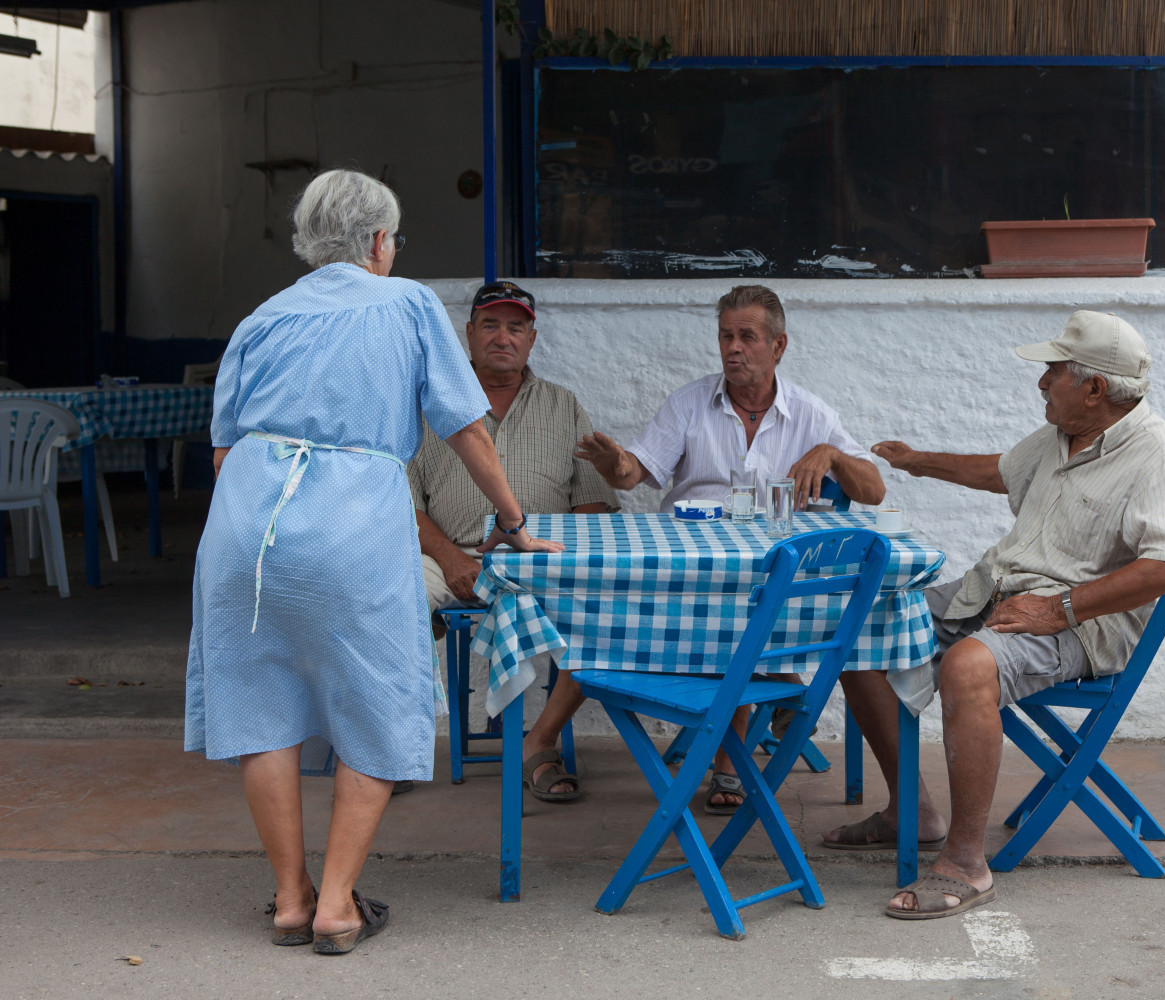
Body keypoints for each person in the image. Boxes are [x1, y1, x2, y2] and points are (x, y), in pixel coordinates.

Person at [185, 169, 562, 955]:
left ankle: (289, 899)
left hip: (246, 527)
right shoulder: (407, 303)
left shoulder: (262, 317)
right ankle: (334, 905)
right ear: (381, 243)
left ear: (308, 241)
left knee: (261, 706)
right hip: (352, 519)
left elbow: (222, 453)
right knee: (378, 695)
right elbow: (468, 430)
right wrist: (514, 519)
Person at [821, 310, 1165, 920]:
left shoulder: (1161, 454)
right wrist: (917, 460)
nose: (1041, 382)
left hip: (1078, 623)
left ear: (1094, 387)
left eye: (1052, 371)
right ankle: (912, 810)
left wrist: (1061, 607)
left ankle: (966, 863)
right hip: (995, 591)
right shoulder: (1061, 434)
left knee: (969, 666)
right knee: (860, 630)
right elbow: (999, 470)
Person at [575, 283, 885, 813]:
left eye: (747, 337)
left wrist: (831, 453)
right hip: (691, 578)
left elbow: (874, 491)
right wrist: (612, 463)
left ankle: (731, 758)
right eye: (725, 336)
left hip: (775, 586)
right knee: (595, 605)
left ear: (778, 346)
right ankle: (774, 698)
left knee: (751, 609)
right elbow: (632, 475)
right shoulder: (690, 403)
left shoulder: (811, 414)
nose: (733, 348)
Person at [408, 280, 617, 802]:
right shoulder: (429, 405)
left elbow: (590, 503)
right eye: (491, 325)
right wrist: (453, 560)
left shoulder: (562, 405)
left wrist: (568, 560)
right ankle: (394, 749)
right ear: (469, 333)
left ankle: (539, 743)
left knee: (599, 608)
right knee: (391, 600)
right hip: (449, 555)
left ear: (532, 338)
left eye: (516, 327)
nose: (503, 337)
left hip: (539, 557)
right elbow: (402, 505)